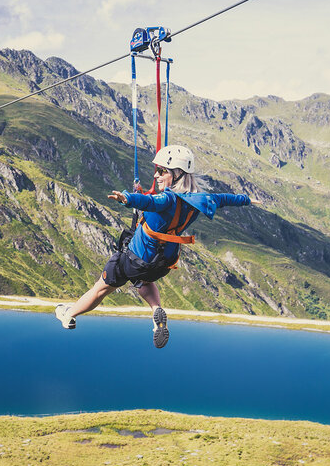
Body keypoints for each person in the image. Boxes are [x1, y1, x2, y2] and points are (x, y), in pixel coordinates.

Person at [54, 145, 257, 348]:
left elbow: (148, 202)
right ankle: (156, 314)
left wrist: (127, 198)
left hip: (135, 258)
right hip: (162, 262)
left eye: (161, 171)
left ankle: (68, 314)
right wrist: (247, 200)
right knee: (143, 280)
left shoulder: (167, 199)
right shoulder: (201, 199)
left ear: (177, 174)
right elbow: (225, 199)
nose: (156, 175)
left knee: (100, 289)